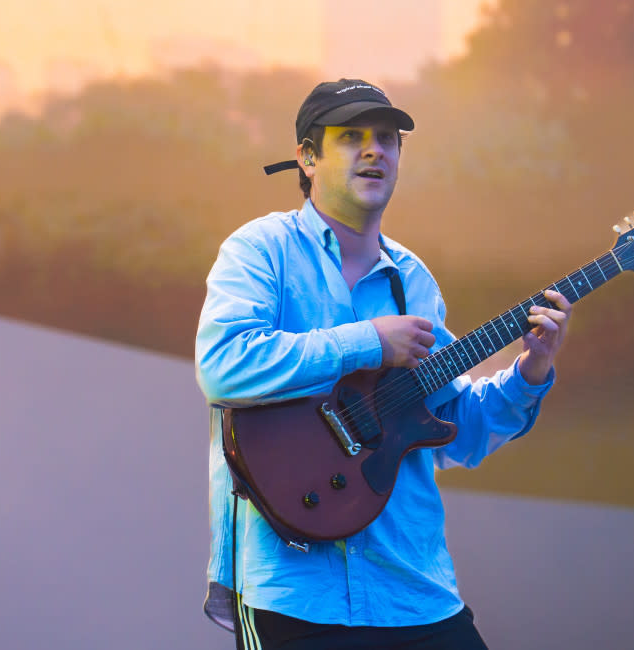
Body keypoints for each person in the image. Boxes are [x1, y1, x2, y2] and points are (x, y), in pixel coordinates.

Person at [195, 78, 572, 650]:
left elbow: (453, 433)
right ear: (307, 156)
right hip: (298, 596)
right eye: (351, 137)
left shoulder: (415, 280)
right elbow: (224, 366)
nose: (375, 150)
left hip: (414, 590)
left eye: (387, 139)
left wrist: (531, 374)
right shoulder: (258, 250)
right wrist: (368, 341)